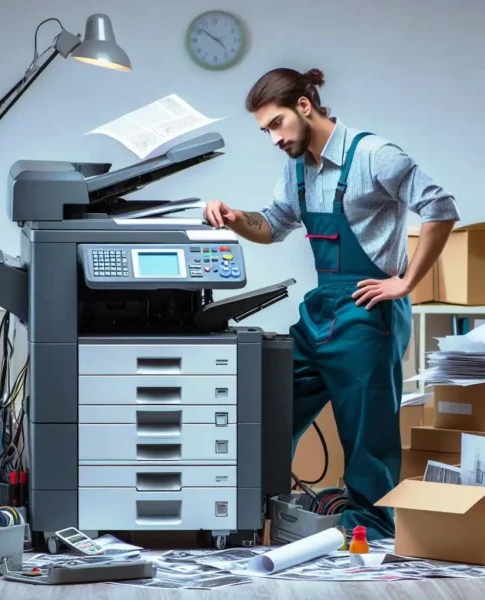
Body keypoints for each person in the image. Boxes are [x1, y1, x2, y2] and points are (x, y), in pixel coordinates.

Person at [204, 67, 460, 540]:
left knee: (368, 437)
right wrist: (237, 218)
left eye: (275, 124)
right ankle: (245, 512)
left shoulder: (374, 155)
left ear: (304, 106)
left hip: (368, 313)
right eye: (265, 131)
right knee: (269, 408)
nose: (273, 138)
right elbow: (275, 224)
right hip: (320, 309)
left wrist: (405, 282)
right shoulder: (296, 166)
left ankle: (370, 534)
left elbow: (441, 208)